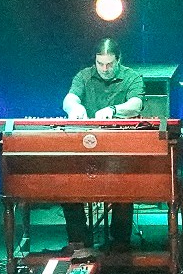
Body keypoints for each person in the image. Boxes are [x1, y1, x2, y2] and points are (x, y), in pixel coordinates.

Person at [62, 39, 147, 250]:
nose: (105, 69)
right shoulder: (83, 76)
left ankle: (120, 242)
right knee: (67, 182)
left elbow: (136, 104)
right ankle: (78, 241)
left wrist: (114, 110)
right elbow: (69, 99)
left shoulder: (132, 77)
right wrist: (74, 108)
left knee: (124, 185)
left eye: (109, 64)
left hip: (118, 147)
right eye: (101, 64)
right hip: (85, 146)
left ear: (119, 60)